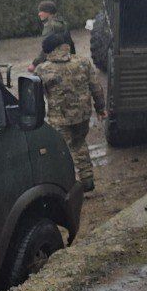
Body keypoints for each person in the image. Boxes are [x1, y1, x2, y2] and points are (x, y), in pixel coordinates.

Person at [36, 31, 106, 193]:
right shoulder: (83, 62)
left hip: (59, 118)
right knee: (79, 143)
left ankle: (66, 186)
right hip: (83, 115)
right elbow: (96, 87)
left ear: (49, 50)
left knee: (62, 151)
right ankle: (87, 179)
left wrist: (36, 118)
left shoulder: (42, 70)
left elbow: (37, 98)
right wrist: (100, 109)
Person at [28, 0, 67, 72]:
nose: (39, 14)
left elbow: (47, 49)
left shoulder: (50, 26)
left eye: (41, 11)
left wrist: (34, 64)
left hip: (55, 61)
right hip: (66, 58)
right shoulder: (61, 23)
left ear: (48, 12)